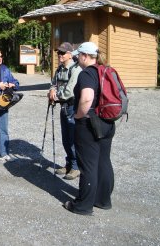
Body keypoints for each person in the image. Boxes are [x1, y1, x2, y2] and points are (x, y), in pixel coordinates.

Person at [63, 41, 116, 215]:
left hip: (89, 123)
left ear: (86, 56)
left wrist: (78, 115)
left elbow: (86, 99)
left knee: (88, 165)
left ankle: (83, 206)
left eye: (79, 56)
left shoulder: (87, 74)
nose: (77, 58)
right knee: (103, 161)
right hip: (107, 122)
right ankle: (103, 200)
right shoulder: (105, 70)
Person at [48, 42, 82, 180]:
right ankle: (68, 163)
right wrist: (51, 90)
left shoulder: (76, 69)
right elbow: (53, 83)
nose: (59, 55)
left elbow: (70, 91)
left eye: (62, 53)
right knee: (65, 138)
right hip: (63, 107)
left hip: (72, 106)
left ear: (70, 54)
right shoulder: (60, 69)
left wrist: (56, 96)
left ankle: (75, 167)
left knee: (73, 138)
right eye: (58, 53)